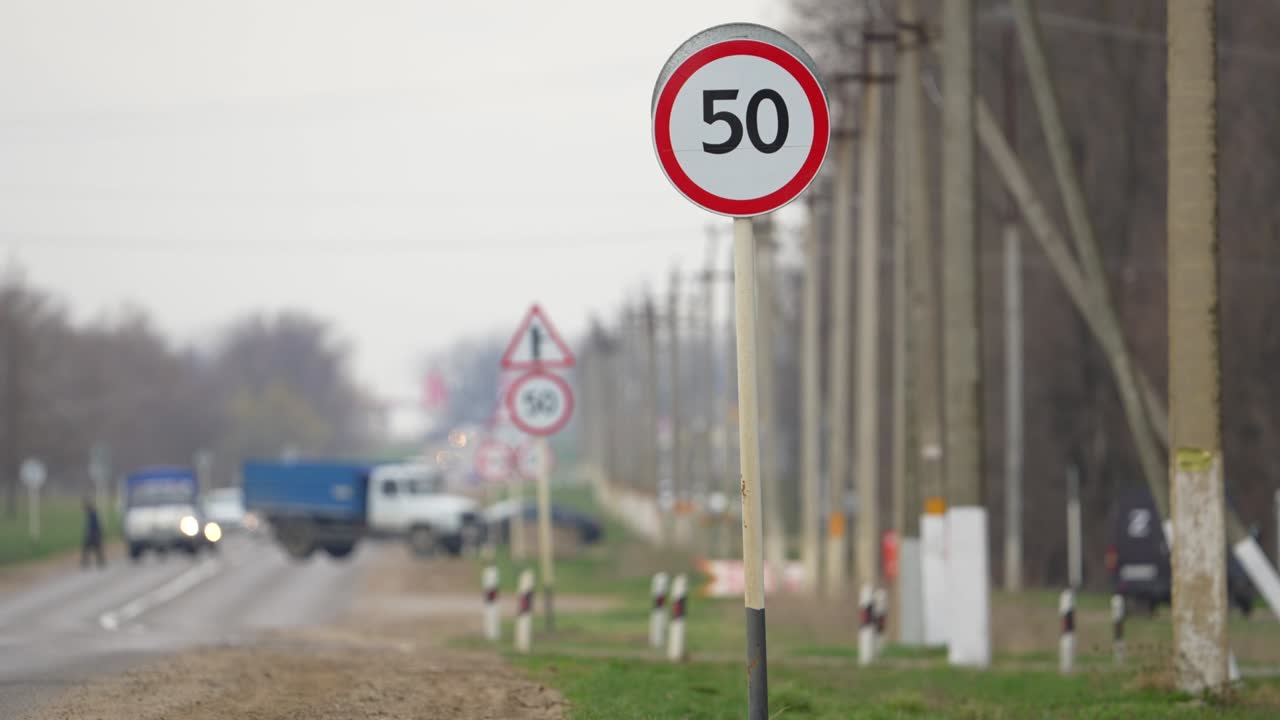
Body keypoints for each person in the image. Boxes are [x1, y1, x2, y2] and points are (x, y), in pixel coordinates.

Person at [82, 499, 105, 569]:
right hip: (93, 535)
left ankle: (98, 561)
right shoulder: (92, 514)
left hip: (93, 535)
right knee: (94, 549)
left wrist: (98, 534)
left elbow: (96, 525)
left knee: (93, 549)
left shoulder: (93, 514)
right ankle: (87, 562)